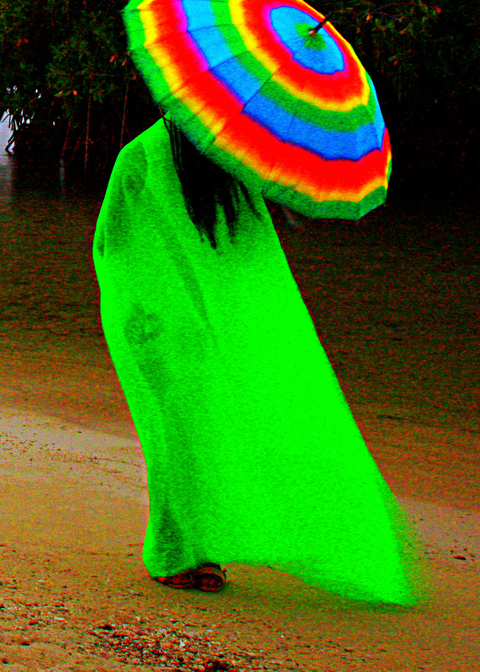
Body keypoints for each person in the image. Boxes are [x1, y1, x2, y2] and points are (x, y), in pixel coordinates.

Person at [93, 116, 419, 604]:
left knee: (175, 440)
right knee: (204, 435)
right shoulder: (231, 161)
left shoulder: (144, 155)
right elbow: (247, 258)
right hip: (203, 328)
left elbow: (109, 243)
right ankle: (193, 551)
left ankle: (183, 553)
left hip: (156, 325)